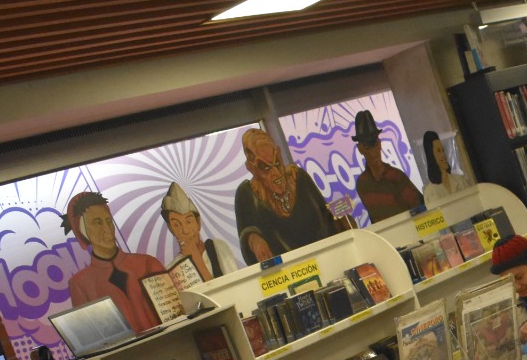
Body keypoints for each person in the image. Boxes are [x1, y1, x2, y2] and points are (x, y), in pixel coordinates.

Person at [64, 190, 167, 332]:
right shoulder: (80, 284)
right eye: (97, 223)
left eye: (108, 221)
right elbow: (92, 339)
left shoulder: (149, 264)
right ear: (82, 231)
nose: (107, 229)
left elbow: (177, 315)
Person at [234, 127, 341, 264]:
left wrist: (341, 220)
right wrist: (254, 240)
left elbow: (325, 214)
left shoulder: (298, 177)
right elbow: (246, 230)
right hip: (287, 272)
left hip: (324, 259)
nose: (276, 174)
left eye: (277, 163)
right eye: (265, 168)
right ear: (252, 168)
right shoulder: (247, 193)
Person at [352, 110, 424, 224]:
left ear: (379, 143)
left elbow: (421, 210)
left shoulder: (396, 176)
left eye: (374, 144)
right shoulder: (362, 183)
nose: (373, 151)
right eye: (367, 146)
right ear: (360, 148)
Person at [160, 182, 239, 280]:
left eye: (188, 222)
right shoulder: (172, 270)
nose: (185, 231)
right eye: (176, 224)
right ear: (171, 229)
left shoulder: (218, 248)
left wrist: (197, 261)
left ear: (198, 223)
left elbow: (235, 289)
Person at [420, 130, 473, 205]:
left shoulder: (461, 180)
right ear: (431, 155)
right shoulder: (429, 192)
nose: (443, 155)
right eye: (438, 151)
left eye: (443, 150)